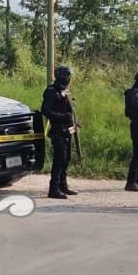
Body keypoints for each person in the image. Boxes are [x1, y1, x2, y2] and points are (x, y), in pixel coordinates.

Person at [41, 65, 78, 199]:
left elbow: (69, 110)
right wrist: (62, 117)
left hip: (67, 130)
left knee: (66, 158)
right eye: (68, 76)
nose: (69, 79)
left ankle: (63, 185)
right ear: (63, 76)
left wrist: (73, 121)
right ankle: (54, 188)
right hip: (58, 130)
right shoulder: (52, 91)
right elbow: (46, 110)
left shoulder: (65, 90)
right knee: (59, 159)